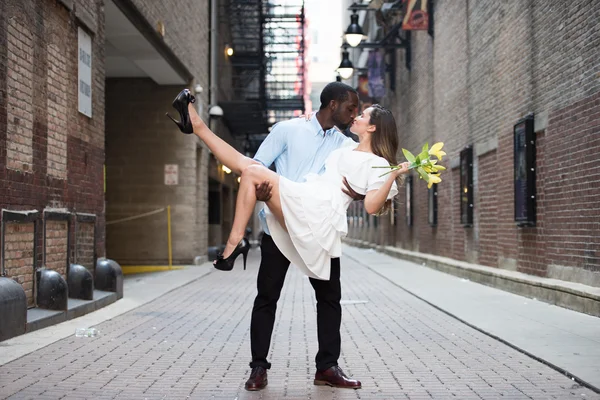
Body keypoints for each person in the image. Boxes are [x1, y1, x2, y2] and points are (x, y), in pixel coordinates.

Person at [167, 82, 409, 390]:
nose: (354, 115)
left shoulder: (345, 144)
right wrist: (267, 193)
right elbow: (256, 166)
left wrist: (376, 184)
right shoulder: (288, 130)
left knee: (329, 299)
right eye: (351, 109)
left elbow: (368, 187)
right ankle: (258, 368)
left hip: (316, 216)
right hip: (283, 217)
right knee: (266, 296)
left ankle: (327, 367)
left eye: (360, 113)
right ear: (332, 105)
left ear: (371, 126)